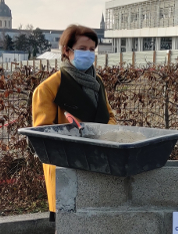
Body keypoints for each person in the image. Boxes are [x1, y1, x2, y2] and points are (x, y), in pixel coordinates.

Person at [32, 25, 116, 220]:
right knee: (65, 228)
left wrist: (101, 134)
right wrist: (80, 135)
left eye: (92, 49)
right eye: (82, 49)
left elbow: (109, 116)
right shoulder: (49, 88)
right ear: (66, 51)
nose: (88, 54)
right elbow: (44, 135)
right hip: (65, 168)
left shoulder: (97, 82)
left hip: (97, 162)